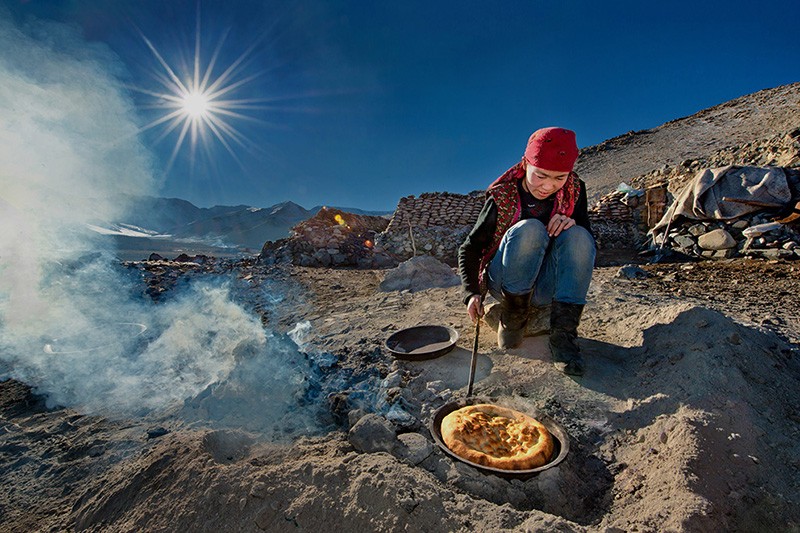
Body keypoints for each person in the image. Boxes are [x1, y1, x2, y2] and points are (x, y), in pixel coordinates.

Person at [458, 127, 595, 376]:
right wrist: (471, 293)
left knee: (579, 236)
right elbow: (470, 247)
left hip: (546, 288)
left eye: (559, 178)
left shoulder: (575, 189)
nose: (548, 186)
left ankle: (563, 336)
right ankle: (513, 319)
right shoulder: (504, 196)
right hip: (506, 282)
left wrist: (571, 222)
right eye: (541, 175)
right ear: (526, 164)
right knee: (531, 229)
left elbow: (583, 239)